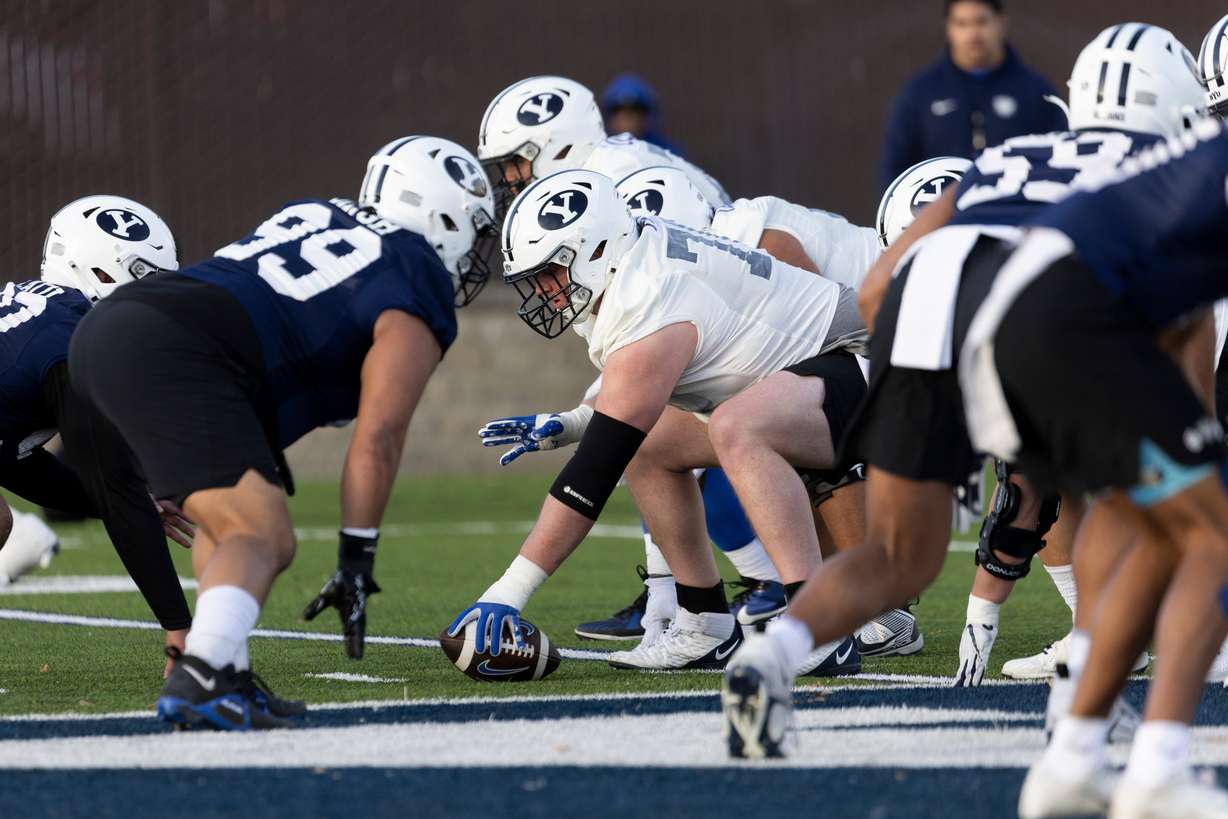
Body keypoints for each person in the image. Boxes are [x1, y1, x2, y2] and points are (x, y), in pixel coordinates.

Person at [719, 22, 1205, 760]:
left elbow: (879, 285)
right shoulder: (1169, 163)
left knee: (896, 555)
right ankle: (1093, 705)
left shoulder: (1005, 156)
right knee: (1148, 511)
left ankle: (772, 655)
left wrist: (935, 390)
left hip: (922, 313)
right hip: (1042, 306)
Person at [69, 136, 496, 731]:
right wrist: (355, 557)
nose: (473, 252)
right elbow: (379, 437)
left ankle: (229, 677)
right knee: (266, 538)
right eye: (473, 230)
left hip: (119, 328)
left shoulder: (317, 210)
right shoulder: (414, 270)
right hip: (180, 352)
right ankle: (202, 676)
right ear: (443, 214)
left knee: (229, 523)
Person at [447, 168, 869, 675]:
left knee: (738, 426)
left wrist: (507, 593)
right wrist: (575, 421)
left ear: (596, 248)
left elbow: (595, 470)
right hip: (812, 381)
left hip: (875, 367)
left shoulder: (650, 292)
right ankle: (704, 622)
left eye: (552, 271)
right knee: (651, 446)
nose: (545, 290)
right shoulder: (633, 266)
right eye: (535, 278)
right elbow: (629, 405)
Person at [965, 119, 1228, 818]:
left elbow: (1177, 319)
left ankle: (1073, 760)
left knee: (1162, 529)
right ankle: (1157, 773)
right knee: (1217, 535)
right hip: (1067, 315)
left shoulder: (1187, 168)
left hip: (1027, 312)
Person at [0, 196, 197, 678]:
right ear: (102, 272)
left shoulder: (43, 317)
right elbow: (115, 488)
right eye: (147, 280)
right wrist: (180, 631)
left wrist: (117, 498)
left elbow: (11, 456)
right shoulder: (69, 347)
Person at [877, 0, 1066, 194]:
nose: (973, 34)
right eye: (962, 23)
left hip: (1016, 216)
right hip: (941, 218)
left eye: (981, 21)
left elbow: (1060, 160)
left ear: (1001, 23)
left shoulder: (1035, 91)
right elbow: (895, 170)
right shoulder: (919, 94)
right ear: (949, 28)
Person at [600, 73, 686, 156]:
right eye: (619, 112)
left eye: (636, 111)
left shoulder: (667, 153)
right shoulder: (599, 152)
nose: (628, 120)